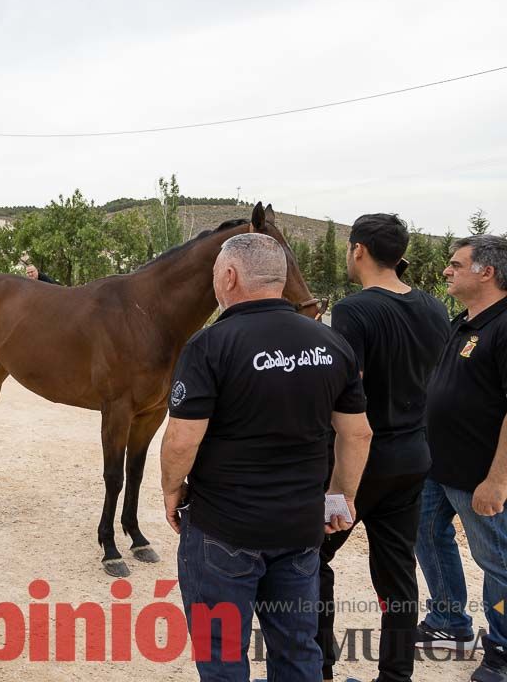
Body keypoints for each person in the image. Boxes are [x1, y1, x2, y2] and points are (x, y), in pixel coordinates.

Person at [160, 232, 372, 682]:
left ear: (230, 276)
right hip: (300, 527)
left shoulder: (210, 345)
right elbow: (357, 433)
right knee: (297, 649)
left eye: (217, 274)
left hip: (224, 528)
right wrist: (341, 497)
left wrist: (171, 491)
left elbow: (181, 440)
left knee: (222, 654)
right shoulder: (329, 344)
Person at [314, 214, 451, 682]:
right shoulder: (434, 307)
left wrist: (336, 483)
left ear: (358, 250)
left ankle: (320, 667)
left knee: (313, 559)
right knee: (397, 575)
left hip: (364, 458)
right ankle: (396, 675)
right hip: (413, 456)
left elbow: (347, 390)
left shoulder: (356, 309)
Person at [415, 235, 507, 682]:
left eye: (456, 264)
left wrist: (497, 481)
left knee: (499, 562)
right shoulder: (467, 322)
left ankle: (504, 649)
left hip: (480, 475)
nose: (447, 271)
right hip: (438, 466)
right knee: (427, 537)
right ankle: (449, 623)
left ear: (486, 272)